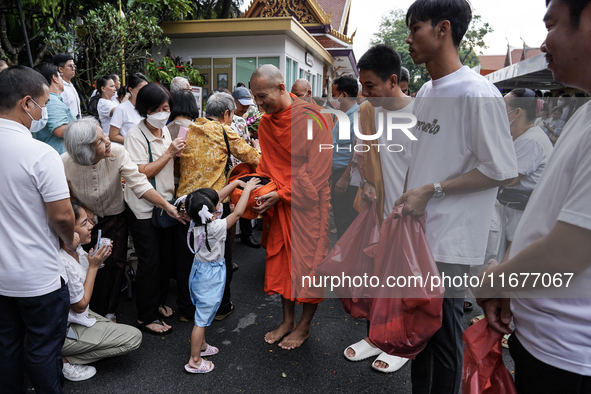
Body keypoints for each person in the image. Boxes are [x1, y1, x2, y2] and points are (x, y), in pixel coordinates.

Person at [398, 1, 518, 392]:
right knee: (417, 337)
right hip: (418, 236)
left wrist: (433, 190)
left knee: (444, 337)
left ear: (442, 29)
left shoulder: (476, 91)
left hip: (450, 244)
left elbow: (501, 169)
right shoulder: (428, 91)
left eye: (415, 28)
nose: (409, 38)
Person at [477, 1, 591, 393]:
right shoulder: (584, 114)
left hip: (568, 354)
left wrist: (494, 279)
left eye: (552, 24)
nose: (544, 43)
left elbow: (570, 250)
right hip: (545, 337)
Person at [0, 65, 75, 393]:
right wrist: (69, 241)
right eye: (44, 103)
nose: (44, 112)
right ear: (26, 103)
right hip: (38, 276)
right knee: (44, 351)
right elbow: (62, 216)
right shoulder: (41, 154)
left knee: (7, 347)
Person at [62, 117, 182, 321]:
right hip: (83, 221)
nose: (108, 141)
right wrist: (81, 210)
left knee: (115, 263)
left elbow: (140, 184)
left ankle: (109, 311)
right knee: (84, 262)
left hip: (115, 215)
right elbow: (63, 194)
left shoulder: (117, 152)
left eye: (104, 135)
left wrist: (167, 206)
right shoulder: (64, 162)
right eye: (100, 141)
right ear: (85, 151)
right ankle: (85, 312)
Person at [250, 64, 333, 349]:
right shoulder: (265, 124)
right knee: (283, 264)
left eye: (263, 97)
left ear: (281, 88)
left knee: (309, 267)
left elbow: (319, 173)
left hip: (308, 205)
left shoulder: (314, 119)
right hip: (280, 205)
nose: (259, 105)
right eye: (255, 99)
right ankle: (287, 319)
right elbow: (266, 166)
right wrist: (255, 190)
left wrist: (283, 193)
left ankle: (304, 325)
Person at [342, 44, 414, 374]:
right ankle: (377, 337)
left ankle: (399, 344)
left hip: (413, 217)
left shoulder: (420, 114)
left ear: (393, 81)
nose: (364, 93)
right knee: (378, 281)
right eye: (362, 85)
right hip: (380, 211)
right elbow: (365, 158)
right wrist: (368, 184)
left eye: (370, 85)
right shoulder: (371, 113)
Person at [176, 92, 260, 322]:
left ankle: (186, 310)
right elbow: (253, 157)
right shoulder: (225, 130)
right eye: (231, 115)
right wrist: (257, 146)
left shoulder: (189, 129)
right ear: (226, 114)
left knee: (188, 258)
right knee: (218, 257)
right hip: (211, 206)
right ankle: (221, 306)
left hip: (184, 205)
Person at [124, 83, 185, 335]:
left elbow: (166, 164)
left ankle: (158, 302)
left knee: (164, 259)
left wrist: (175, 153)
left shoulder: (164, 132)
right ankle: (145, 316)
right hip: (143, 209)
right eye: (159, 109)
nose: (164, 113)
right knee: (149, 263)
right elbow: (140, 172)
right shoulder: (135, 136)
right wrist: (169, 153)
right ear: (146, 110)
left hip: (166, 205)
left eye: (167, 108)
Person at [183, 177, 260, 373]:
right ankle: (195, 361)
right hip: (210, 276)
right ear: (211, 212)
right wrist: (248, 188)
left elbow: (215, 198)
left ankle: (201, 346)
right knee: (201, 319)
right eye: (218, 204)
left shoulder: (195, 221)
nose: (221, 204)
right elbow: (240, 213)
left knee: (203, 311)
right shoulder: (215, 227)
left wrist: (234, 184)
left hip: (199, 271)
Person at [60, 201, 142, 381]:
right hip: (66, 328)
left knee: (113, 330)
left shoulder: (76, 249)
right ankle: (63, 359)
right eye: (84, 223)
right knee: (133, 338)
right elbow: (80, 306)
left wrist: (96, 259)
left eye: (89, 221)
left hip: (78, 319)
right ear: (67, 231)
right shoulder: (63, 261)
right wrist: (94, 267)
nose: (91, 226)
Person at [329, 75, 360, 240]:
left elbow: (357, 151)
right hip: (338, 172)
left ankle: (344, 262)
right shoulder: (343, 115)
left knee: (344, 220)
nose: (332, 98)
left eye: (334, 95)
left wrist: (344, 178)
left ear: (344, 95)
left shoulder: (356, 117)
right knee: (341, 218)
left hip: (345, 175)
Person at [231, 86, 261, 249]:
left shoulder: (243, 120)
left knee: (243, 197)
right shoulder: (232, 120)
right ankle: (242, 234)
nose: (245, 107)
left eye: (248, 104)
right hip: (235, 167)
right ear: (233, 101)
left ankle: (245, 234)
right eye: (242, 104)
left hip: (240, 166)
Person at [33, 62, 75, 154]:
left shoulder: (50, 99)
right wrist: (87, 128)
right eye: (60, 76)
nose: (62, 79)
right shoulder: (52, 101)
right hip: (60, 156)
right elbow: (59, 130)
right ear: (54, 78)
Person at [109, 73, 148, 144]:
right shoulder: (121, 109)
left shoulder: (147, 107)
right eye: (141, 89)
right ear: (131, 90)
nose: (145, 92)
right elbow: (113, 136)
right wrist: (134, 142)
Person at [54, 53, 81, 118]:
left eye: (74, 66)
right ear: (61, 69)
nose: (73, 68)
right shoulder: (60, 87)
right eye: (70, 66)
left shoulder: (70, 84)